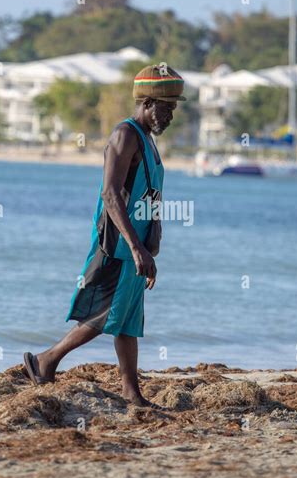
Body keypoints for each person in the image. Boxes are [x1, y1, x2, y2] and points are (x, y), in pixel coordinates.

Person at [23, 64, 186, 406]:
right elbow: (110, 194)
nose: (171, 114)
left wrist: (153, 240)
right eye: (166, 107)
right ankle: (45, 361)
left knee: (128, 320)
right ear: (145, 103)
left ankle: (131, 391)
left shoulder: (150, 143)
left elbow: (151, 196)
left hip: (137, 247)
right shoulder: (125, 135)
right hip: (118, 245)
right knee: (104, 314)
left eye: (174, 108)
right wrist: (136, 246)